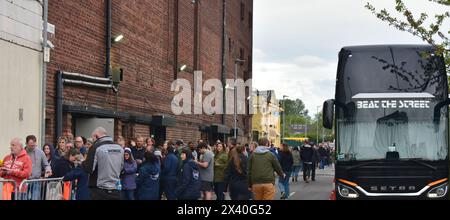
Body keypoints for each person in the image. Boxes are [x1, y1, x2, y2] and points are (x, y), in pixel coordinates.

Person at [82, 127, 124, 200]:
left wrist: (82, 162)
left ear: (96, 136)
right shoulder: (119, 148)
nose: (93, 141)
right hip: (115, 189)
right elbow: (122, 168)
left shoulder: (95, 147)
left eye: (93, 139)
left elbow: (89, 169)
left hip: (99, 190)